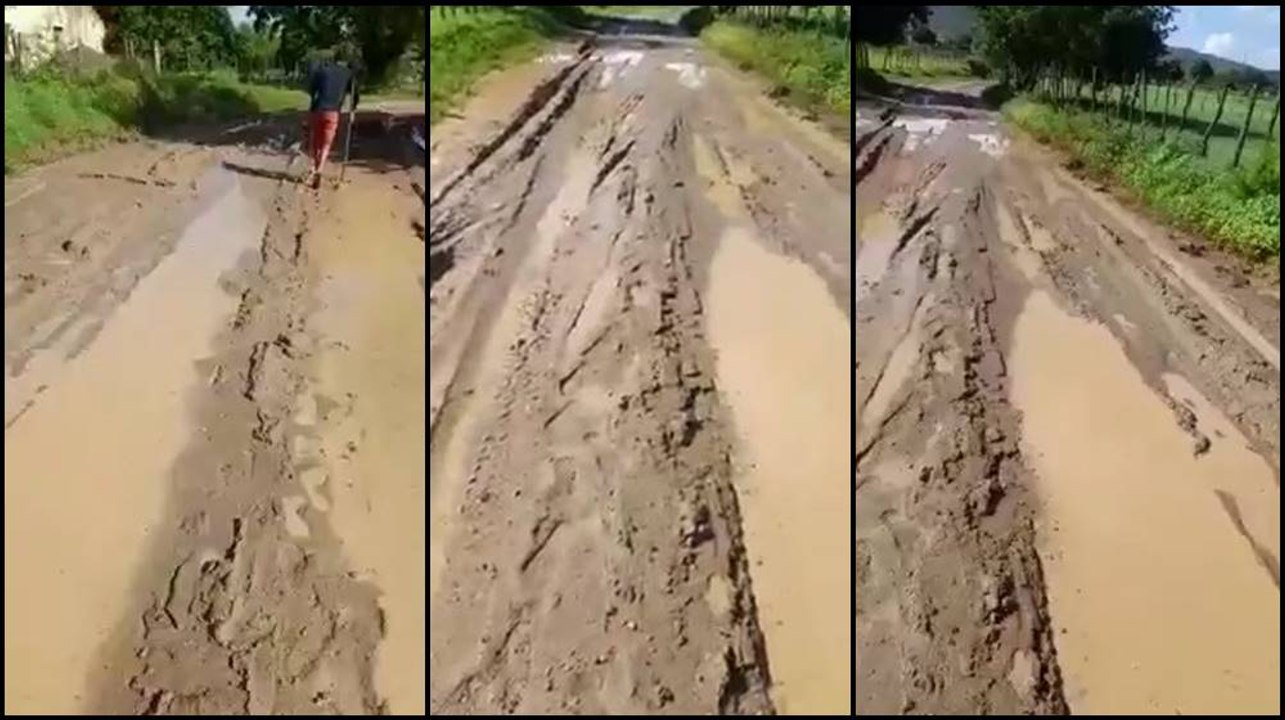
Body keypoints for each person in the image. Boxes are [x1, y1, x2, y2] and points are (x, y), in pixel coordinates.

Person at [304, 56, 360, 189]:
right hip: (333, 113)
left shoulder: (323, 70)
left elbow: (312, 89)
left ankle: (313, 167)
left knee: (315, 141)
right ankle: (320, 169)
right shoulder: (348, 74)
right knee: (326, 144)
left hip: (318, 110)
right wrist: (352, 110)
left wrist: (312, 103)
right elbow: (355, 94)